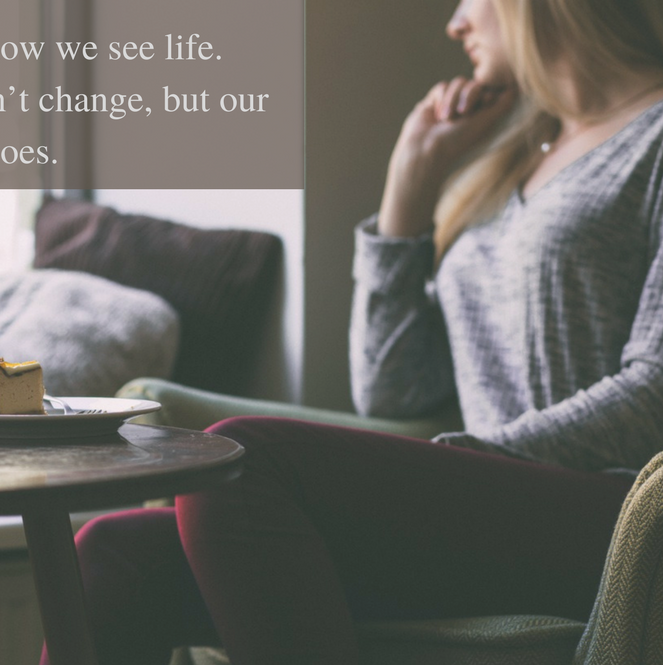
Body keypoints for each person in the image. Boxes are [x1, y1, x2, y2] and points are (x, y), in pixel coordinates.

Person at [40, 0, 663, 662]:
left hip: (619, 513)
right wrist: (408, 193)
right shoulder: (515, 153)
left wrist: (473, 457)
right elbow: (395, 391)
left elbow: (654, 392)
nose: (454, 24)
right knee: (112, 551)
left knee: (239, 459)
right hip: (486, 501)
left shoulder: (651, 138)